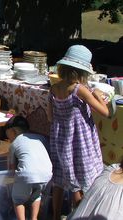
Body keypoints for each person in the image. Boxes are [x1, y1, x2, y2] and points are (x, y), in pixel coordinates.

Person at [47, 45, 111, 220]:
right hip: (80, 142)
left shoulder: (53, 89)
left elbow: (50, 117)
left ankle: (56, 215)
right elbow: (105, 113)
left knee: (60, 179)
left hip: (61, 140)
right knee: (80, 181)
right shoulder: (79, 90)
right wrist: (97, 94)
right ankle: (79, 214)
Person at [5, 115, 53, 220]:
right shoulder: (40, 138)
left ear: (14, 132)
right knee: (36, 195)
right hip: (46, 175)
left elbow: (11, 169)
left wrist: (6, 184)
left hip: (27, 174)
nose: (9, 140)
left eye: (9, 137)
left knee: (18, 199)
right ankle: (34, 218)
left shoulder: (15, 143)